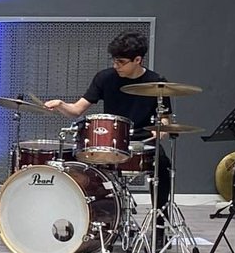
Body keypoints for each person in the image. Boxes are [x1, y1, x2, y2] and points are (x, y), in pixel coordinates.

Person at [44, 30, 172, 240]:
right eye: (114, 60)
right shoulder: (105, 78)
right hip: (111, 142)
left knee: (163, 167)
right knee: (81, 167)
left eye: (121, 62)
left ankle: (159, 227)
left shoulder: (157, 83)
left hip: (143, 142)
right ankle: (96, 223)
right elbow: (76, 110)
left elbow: (165, 120)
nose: (116, 65)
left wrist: (162, 130)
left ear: (137, 60)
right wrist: (60, 105)